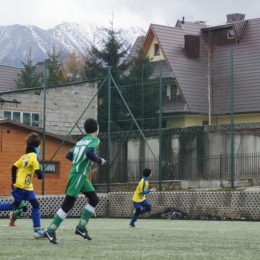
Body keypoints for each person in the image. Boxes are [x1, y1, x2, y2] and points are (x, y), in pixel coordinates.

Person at [44, 118, 106, 244]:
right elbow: (89, 152)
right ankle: (50, 230)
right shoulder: (95, 140)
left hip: (81, 176)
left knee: (94, 199)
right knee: (68, 204)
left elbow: (69, 155)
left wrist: (78, 162)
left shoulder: (81, 141)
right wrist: (99, 160)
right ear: (97, 128)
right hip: (78, 175)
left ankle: (81, 227)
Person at [0, 132, 45, 238]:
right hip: (23, 187)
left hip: (25, 186)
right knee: (19, 205)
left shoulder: (24, 157)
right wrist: (40, 175)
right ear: (37, 146)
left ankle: (38, 229)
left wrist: (13, 179)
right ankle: (37, 229)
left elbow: (13, 167)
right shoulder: (34, 156)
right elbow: (36, 167)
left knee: (31, 205)